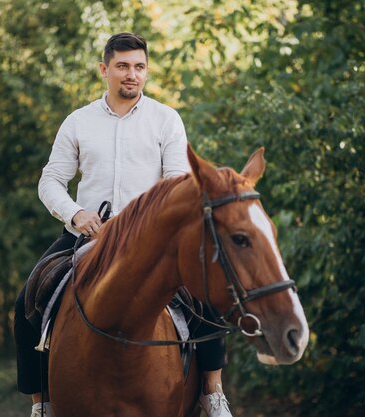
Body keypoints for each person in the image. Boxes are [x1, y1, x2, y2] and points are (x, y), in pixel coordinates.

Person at [13, 32, 233, 417]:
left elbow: (178, 180)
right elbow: (51, 181)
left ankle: (212, 391)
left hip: (149, 242)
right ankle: (41, 405)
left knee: (205, 295)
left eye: (139, 67)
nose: (131, 74)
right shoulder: (78, 121)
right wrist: (75, 214)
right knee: (27, 301)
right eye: (122, 66)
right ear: (105, 70)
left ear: (146, 72)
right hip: (85, 236)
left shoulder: (166, 119)